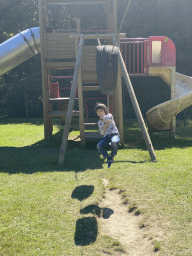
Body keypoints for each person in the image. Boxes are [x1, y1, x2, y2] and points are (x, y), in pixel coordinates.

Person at [95, 103, 120, 168]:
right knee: (99, 145)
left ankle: (112, 155)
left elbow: (109, 119)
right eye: (98, 111)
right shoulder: (99, 122)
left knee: (114, 142)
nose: (100, 112)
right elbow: (101, 133)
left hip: (114, 134)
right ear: (97, 113)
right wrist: (105, 127)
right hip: (106, 136)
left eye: (101, 110)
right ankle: (108, 157)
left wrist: (102, 118)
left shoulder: (109, 115)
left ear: (105, 110)